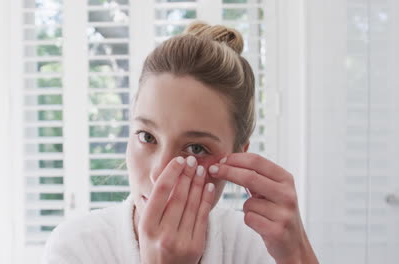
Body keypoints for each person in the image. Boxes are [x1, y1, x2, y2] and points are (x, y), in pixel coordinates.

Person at [42, 21, 319, 264]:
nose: (159, 172)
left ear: (239, 156)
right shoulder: (76, 249)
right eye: (147, 137)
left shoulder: (256, 247)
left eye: (196, 148)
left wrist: (297, 252)